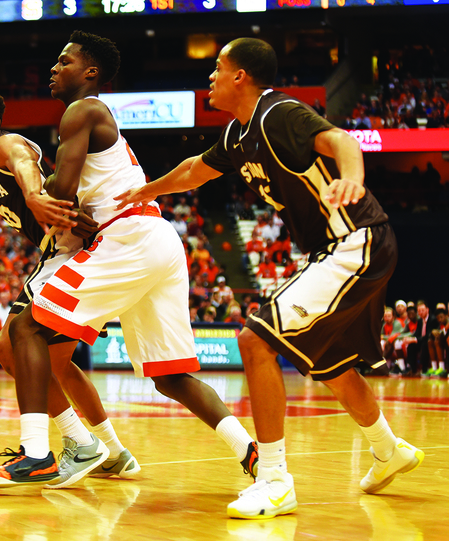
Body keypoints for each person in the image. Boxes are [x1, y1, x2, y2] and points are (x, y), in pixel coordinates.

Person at [115, 37, 423, 519]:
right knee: (331, 362)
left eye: (218, 68)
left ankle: (275, 479)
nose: (211, 77)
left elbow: (340, 140)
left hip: (356, 238)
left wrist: (354, 177)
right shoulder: (238, 134)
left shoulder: (278, 112)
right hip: (336, 248)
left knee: (255, 341)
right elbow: (196, 170)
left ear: (241, 75)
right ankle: (389, 450)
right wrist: (146, 191)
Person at [0, 33, 259, 490]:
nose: (53, 69)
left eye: (64, 62)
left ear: (90, 72)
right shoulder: (92, 118)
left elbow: (60, 193)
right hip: (158, 239)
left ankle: (40, 454)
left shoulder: (81, 110)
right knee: (171, 377)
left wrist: (43, 202)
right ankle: (250, 452)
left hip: (126, 238)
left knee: (24, 330)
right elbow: (70, 199)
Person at [0, 85, 175, 487]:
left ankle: (61, 447)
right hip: (62, 253)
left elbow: (24, 162)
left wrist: (34, 195)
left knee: (9, 347)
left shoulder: (5, 144)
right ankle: (113, 453)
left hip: (72, 252)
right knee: (57, 364)